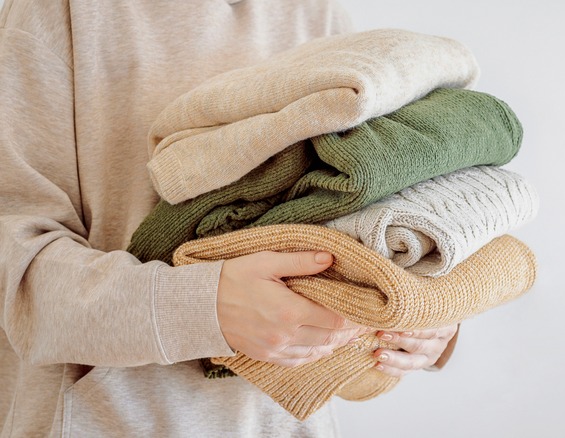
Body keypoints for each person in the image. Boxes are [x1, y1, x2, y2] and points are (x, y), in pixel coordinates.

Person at [0, 1, 458, 436]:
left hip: (290, 424)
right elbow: (12, 264)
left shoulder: (315, 11)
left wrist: (427, 309)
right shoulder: (61, 11)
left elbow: (365, 205)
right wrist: (202, 308)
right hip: (112, 422)